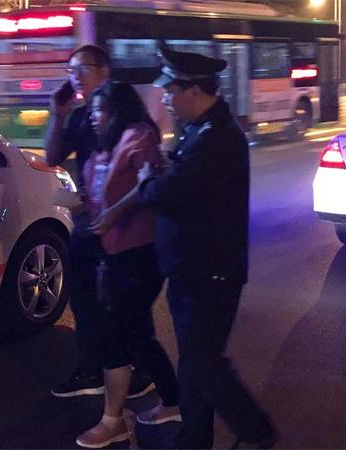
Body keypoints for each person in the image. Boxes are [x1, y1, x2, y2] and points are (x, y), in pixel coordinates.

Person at [92, 47, 277, 449]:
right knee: (194, 364)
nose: (164, 98)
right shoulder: (200, 131)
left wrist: (148, 179)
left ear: (194, 90)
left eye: (171, 90)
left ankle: (256, 433)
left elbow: (169, 190)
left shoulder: (217, 138)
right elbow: (171, 181)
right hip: (191, 268)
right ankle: (193, 438)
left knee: (203, 363)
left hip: (209, 272)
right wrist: (154, 179)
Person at [46, 45, 154, 399]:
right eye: (70, 70)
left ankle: (143, 370)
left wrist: (115, 210)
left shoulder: (127, 114)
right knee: (83, 297)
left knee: (126, 303)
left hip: (125, 227)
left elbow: (149, 178)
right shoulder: (81, 116)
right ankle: (92, 369)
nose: (75, 77)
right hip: (89, 222)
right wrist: (58, 115)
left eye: (83, 68)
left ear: (104, 69)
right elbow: (53, 156)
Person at [75, 82, 179, 449]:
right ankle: (173, 401)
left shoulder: (138, 137)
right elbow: (100, 194)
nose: (93, 116)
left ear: (118, 111)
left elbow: (152, 181)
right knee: (136, 334)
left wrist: (115, 212)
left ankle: (113, 421)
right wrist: (83, 202)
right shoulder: (103, 146)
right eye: (92, 110)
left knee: (116, 334)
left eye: (99, 110)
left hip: (141, 253)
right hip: (114, 253)